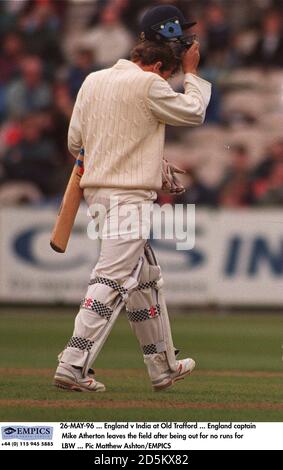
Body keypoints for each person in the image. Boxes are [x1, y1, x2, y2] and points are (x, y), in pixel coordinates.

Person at [54, 5, 211, 393]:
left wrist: (148, 161)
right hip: (129, 200)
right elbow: (193, 112)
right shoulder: (149, 85)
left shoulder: (93, 81)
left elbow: (77, 142)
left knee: (145, 281)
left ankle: (163, 366)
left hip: (100, 199)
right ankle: (73, 363)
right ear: (159, 66)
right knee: (112, 278)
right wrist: (191, 74)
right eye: (169, 71)